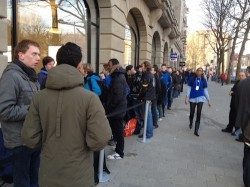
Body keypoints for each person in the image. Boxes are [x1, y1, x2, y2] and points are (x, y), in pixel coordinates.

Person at [21, 42, 112, 187]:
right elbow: (101, 138)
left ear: (58, 62)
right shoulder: (89, 98)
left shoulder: (39, 97)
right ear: (78, 65)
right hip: (79, 175)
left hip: (48, 173)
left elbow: (29, 137)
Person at [0, 39, 41, 187]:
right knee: (22, 180)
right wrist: (32, 109)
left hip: (33, 138)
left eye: (39, 54)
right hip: (19, 141)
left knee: (34, 178)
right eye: (34, 54)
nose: (38, 58)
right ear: (21, 55)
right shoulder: (11, 76)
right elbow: (4, 111)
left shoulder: (31, 77)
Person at [106, 58, 128, 160]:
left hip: (117, 110)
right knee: (117, 130)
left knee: (118, 131)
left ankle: (119, 153)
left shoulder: (118, 77)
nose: (108, 66)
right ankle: (118, 148)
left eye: (109, 65)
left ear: (115, 65)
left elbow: (117, 97)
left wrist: (110, 107)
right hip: (118, 108)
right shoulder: (118, 75)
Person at [235, 66, 250, 187]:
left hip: (246, 126)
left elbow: (237, 103)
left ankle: (247, 179)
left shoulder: (241, 84)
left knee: (247, 154)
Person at [185, 67, 211, 136]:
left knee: (199, 113)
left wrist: (208, 100)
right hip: (192, 98)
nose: (199, 72)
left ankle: (196, 130)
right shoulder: (192, 79)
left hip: (201, 98)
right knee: (192, 112)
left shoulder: (203, 80)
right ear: (196, 72)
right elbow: (189, 89)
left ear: (202, 72)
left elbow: (205, 90)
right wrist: (186, 97)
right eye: (198, 71)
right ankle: (191, 122)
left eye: (201, 71)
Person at [138, 61, 156, 139]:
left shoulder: (146, 75)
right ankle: (148, 132)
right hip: (150, 97)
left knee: (147, 116)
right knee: (148, 115)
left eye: (142, 66)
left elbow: (144, 88)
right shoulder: (151, 75)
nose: (141, 67)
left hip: (147, 97)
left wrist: (140, 97)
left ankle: (148, 133)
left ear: (145, 67)